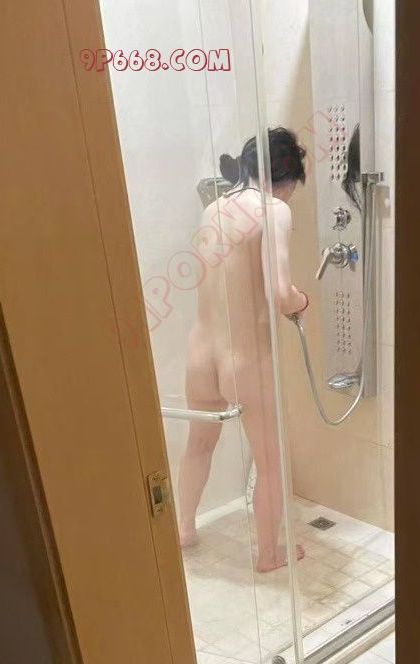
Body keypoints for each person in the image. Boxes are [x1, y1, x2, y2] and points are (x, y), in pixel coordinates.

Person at [178, 127, 309, 572]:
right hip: (245, 358)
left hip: (201, 355)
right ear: (285, 177)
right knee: (270, 461)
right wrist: (302, 301)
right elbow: (280, 292)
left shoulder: (213, 209)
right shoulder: (274, 211)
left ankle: (184, 528)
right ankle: (269, 555)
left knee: (199, 445)